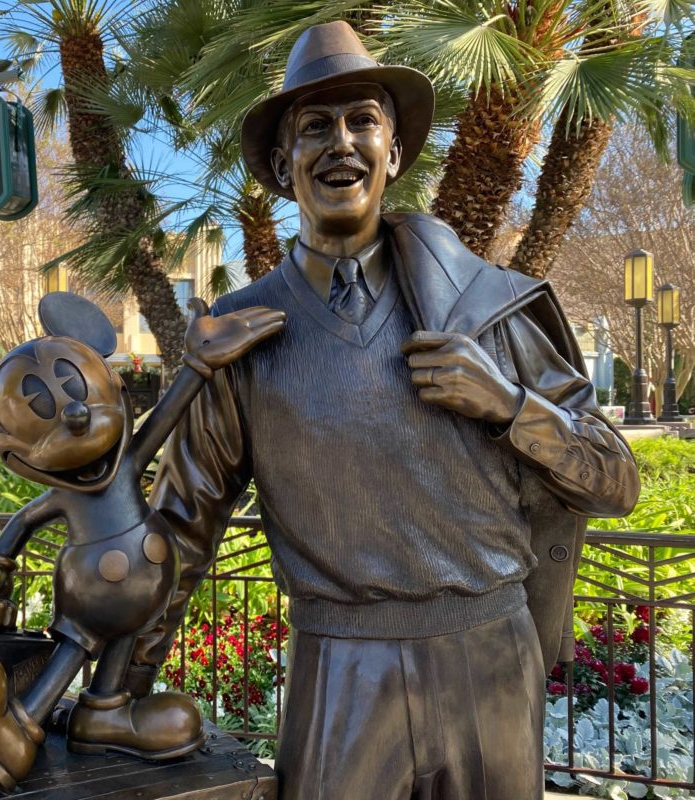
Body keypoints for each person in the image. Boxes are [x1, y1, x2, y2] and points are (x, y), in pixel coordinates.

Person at [115, 21, 640, 800]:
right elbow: (183, 528)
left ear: (393, 154)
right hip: (341, 671)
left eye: (363, 121)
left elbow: (613, 480)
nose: (341, 143)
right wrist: (112, 689)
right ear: (278, 164)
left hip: (490, 662)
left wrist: (504, 403)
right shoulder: (241, 334)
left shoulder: (483, 307)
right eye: (313, 128)